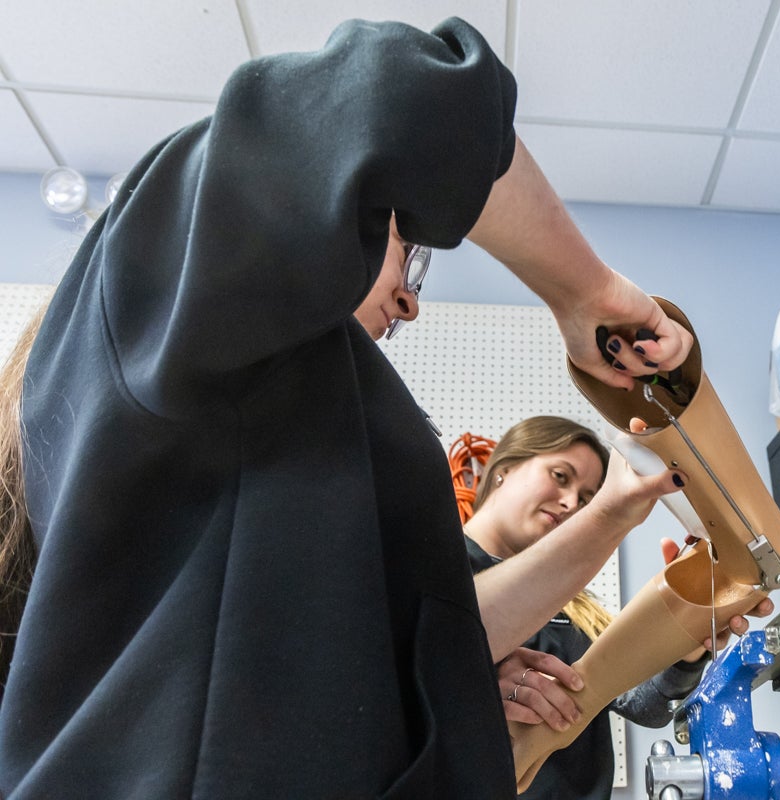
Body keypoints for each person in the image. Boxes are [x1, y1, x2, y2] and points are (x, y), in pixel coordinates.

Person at [0, 17, 694, 799]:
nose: (407, 298)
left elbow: (421, 637)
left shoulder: (270, 454)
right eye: (408, 253)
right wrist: (591, 298)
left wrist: (624, 511)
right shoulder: (159, 285)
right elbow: (406, 95)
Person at [450, 417, 713, 799]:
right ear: (504, 469)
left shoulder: (575, 605)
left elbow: (644, 705)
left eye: (588, 497)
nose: (572, 502)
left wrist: (685, 645)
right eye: (560, 476)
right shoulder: (436, 570)